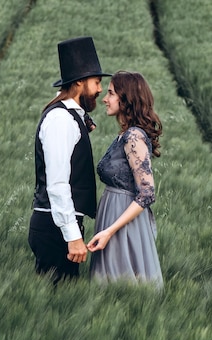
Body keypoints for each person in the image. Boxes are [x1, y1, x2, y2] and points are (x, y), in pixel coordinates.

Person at [28, 36, 111, 284]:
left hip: (58, 225)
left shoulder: (69, 117)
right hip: (55, 228)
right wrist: (72, 236)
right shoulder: (61, 120)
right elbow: (58, 184)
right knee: (55, 306)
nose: (99, 89)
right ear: (79, 83)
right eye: (96, 82)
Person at [87, 70, 164, 289]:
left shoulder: (133, 137)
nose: (105, 98)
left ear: (127, 99)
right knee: (112, 285)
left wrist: (110, 231)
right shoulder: (124, 135)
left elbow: (147, 193)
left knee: (121, 284)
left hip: (122, 221)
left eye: (111, 93)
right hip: (112, 215)